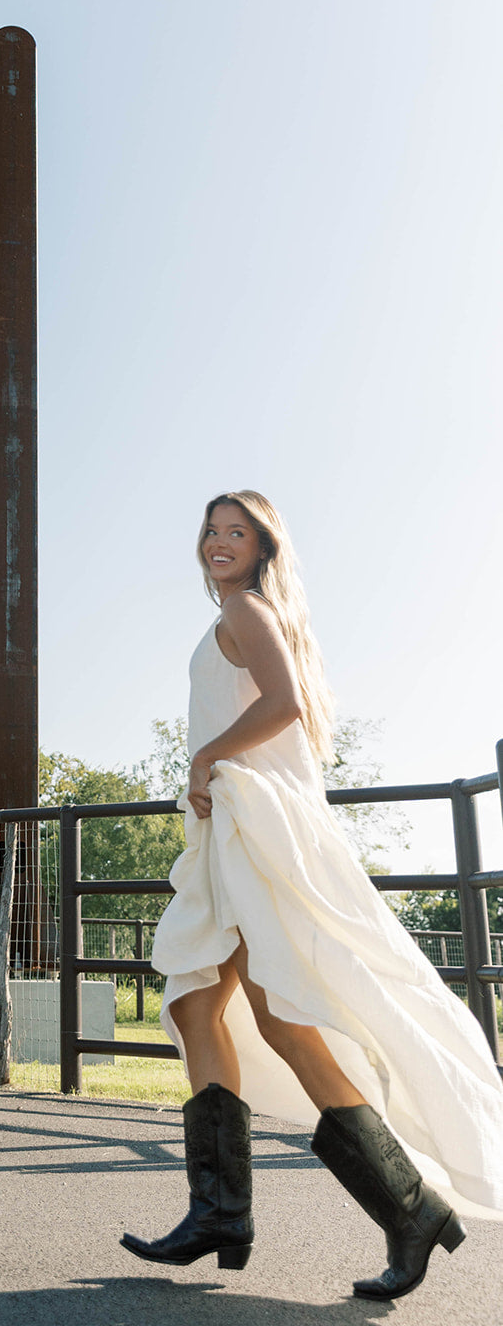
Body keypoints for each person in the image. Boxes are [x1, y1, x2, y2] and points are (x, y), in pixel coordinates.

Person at [120, 490, 503, 1299]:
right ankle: (221, 1213)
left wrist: (205, 758)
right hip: (235, 827)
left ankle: (406, 1209)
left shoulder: (247, 610)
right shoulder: (242, 612)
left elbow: (283, 704)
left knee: (280, 1020)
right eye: (211, 530)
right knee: (200, 1006)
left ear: (262, 548)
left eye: (237, 532)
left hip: (253, 828)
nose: (219, 541)